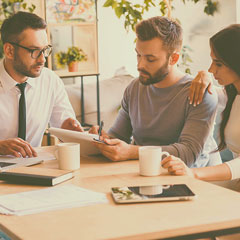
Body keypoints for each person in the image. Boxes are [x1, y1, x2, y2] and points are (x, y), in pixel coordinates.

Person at [90, 16, 221, 167]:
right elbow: (118, 136)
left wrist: (132, 152)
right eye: (138, 55)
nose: (140, 65)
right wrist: (103, 140)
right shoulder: (134, 88)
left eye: (150, 59)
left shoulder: (199, 92)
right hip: (142, 173)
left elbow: (188, 153)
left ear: (174, 58)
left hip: (188, 181)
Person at [162, 24, 240, 188]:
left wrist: (194, 173)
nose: (211, 69)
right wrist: (203, 75)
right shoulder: (232, 96)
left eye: (218, 64)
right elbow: (204, 94)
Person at [0, 12, 83, 158]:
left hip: (34, 169)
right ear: (9, 51)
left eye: (45, 50)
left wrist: (84, 136)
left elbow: (66, 127)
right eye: (34, 51)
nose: (42, 60)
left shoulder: (50, 80)